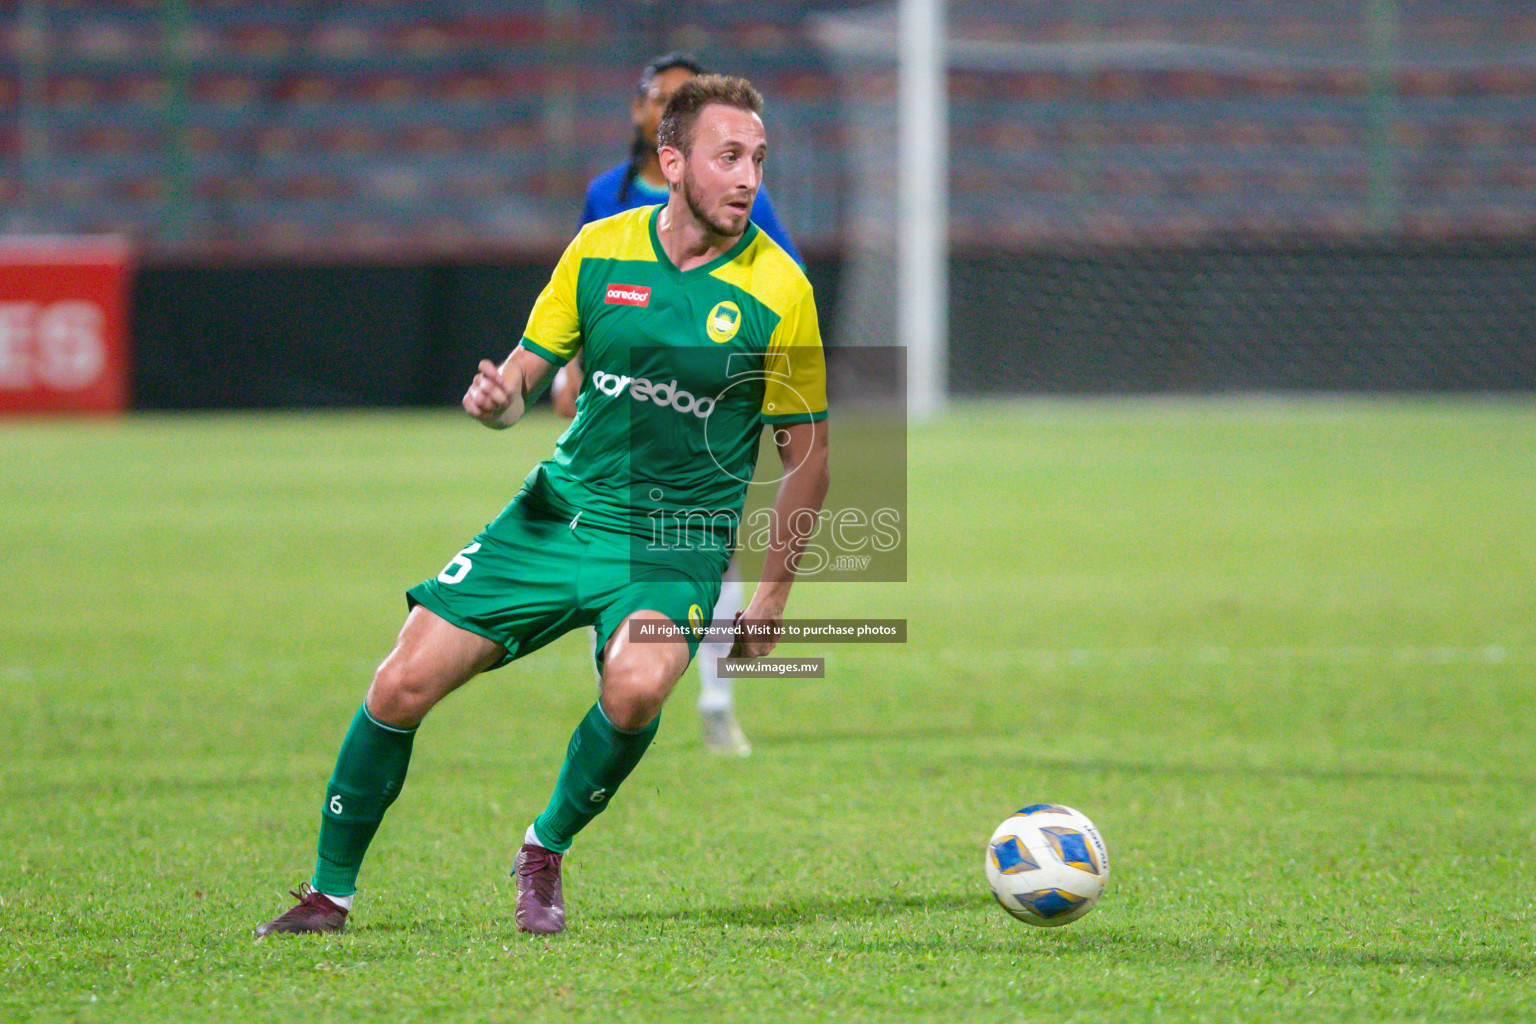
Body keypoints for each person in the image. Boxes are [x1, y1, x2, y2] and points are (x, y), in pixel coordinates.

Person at [255, 74, 830, 938]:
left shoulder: (780, 288)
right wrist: (502, 399)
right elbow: (529, 366)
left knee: (638, 687)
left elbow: (810, 457)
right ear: (673, 163)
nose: (748, 178)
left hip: (672, 540)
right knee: (402, 682)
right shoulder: (598, 247)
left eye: (757, 159)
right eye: (728, 157)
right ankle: (327, 895)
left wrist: (773, 593)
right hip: (557, 512)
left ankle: (544, 845)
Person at [556, 53, 804, 758]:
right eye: (661, 97)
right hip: (620, 401)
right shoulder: (608, 193)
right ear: (642, 113)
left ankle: (717, 700)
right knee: (604, 533)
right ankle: (624, 672)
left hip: (707, 395)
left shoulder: (736, 197)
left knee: (706, 538)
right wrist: (568, 367)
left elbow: (779, 280)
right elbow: (580, 285)